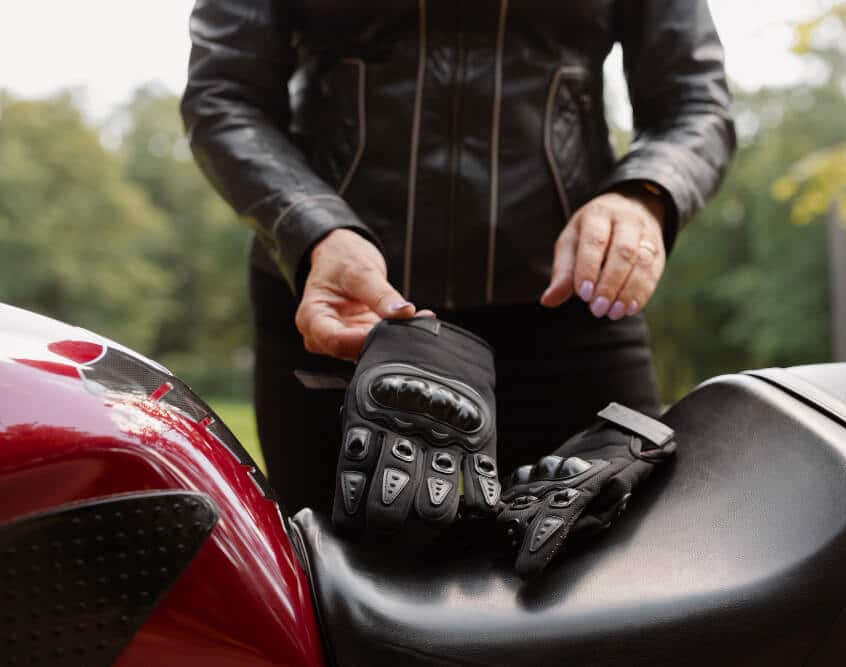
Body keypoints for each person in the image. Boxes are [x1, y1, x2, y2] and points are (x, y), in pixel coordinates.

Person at [182, 1, 735, 514]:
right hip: (340, 306)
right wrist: (315, 228)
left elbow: (694, 98)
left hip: (572, 308)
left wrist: (644, 194)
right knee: (335, 598)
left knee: (630, 579)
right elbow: (224, 94)